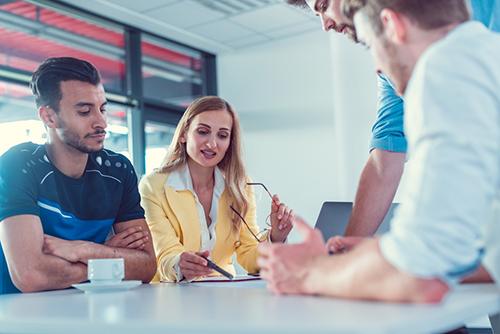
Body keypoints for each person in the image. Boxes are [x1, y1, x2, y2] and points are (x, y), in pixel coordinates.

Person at [259, 0, 500, 302]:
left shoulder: (442, 69)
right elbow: (482, 261)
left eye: (370, 44)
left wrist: (309, 271)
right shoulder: (487, 53)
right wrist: (381, 254)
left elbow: (421, 277)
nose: (376, 66)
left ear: (392, 25)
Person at [0, 57, 157, 294]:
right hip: (19, 317)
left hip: (87, 311)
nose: (102, 122)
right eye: (85, 111)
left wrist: (84, 250)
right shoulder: (18, 165)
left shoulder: (118, 170)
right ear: (49, 117)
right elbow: (30, 275)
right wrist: (103, 259)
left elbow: (146, 265)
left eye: (102, 108)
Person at [139, 96, 293, 282]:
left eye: (222, 135)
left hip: (223, 294)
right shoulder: (153, 186)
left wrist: (276, 238)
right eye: (203, 132)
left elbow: (248, 254)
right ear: (183, 134)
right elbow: (164, 253)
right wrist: (180, 264)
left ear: (230, 142)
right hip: (173, 294)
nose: (212, 144)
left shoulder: (240, 187)